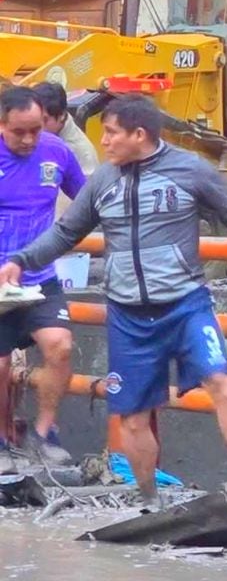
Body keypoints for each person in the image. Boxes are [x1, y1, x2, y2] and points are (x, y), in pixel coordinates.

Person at [0, 94, 227, 507]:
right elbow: (66, 232)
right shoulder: (103, 181)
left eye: (112, 134)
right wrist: (21, 261)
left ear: (139, 135)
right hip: (127, 315)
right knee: (133, 417)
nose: (105, 143)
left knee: (221, 383)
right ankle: (151, 503)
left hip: (186, 304)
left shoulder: (190, 170)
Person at [0, 87, 86, 472]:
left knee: (60, 347)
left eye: (36, 130)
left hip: (40, 277)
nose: (28, 139)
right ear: (2, 124)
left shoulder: (57, 151)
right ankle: (3, 440)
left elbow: (88, 201)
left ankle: (43, 434)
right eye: (19, 131)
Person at [33, 81, 100, 213]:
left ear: (62, 116)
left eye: (45, 120)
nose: (37, 126)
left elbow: (80, 206)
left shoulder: (81, 153)